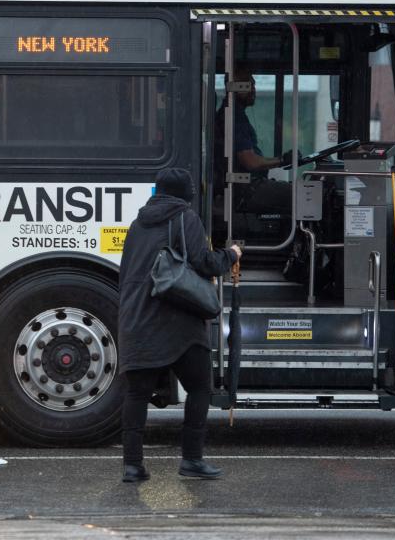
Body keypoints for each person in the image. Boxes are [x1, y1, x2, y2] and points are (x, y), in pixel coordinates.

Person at [117, 167, 241, 483]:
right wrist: (233, 253)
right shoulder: (186, 218)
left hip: (137, 320)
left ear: (157, 191)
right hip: (178, 322)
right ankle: (192, 460)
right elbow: (205, 263)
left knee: (137, 394)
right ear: (186, 194)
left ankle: (133, 466)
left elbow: (127, 272)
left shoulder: (137, 224)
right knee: (200, 387)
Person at [214, 69, 296, 216]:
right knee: (303, 195)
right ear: (233, 87)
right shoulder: (233, 117)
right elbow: (250, 161)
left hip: (247, 186)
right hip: (247, 189)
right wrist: (282, 160)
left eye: (253, 85)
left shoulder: (234, 114)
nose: (253, 90)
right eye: (247, 85)